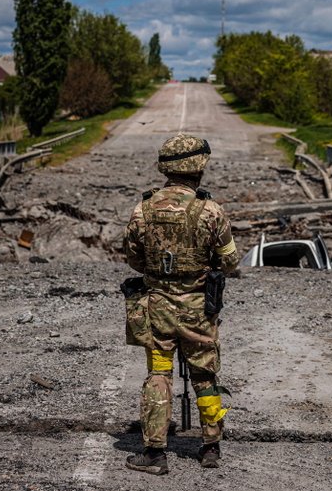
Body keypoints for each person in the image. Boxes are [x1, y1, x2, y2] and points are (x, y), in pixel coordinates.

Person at [122, 133, 240, 475]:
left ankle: (155, 453)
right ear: (199, 168)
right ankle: (210, 447)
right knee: (204, 374)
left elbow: (133, 260)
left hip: (157, 308)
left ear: (166, 169)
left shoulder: (142, 209)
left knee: (159, 372)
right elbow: (230, 263)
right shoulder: (211, 210)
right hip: (199, 311)